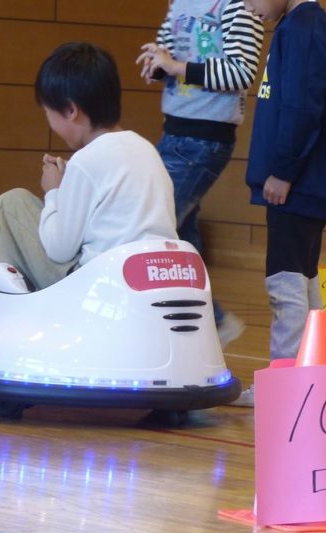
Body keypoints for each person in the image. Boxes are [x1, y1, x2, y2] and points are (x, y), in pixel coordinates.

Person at [231, 0, 326, 406]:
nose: (248, 5)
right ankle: (310, 379)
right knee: (303, 280)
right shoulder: (298, 25)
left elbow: (301, 108)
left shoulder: (303, 27)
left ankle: (282, 386)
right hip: (301, 182)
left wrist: (283, 170)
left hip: (296, 183)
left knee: (285, 283)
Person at [0, 42, 178, 291]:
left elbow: (59, 249)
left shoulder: (85, 161)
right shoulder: (146, 149)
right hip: (156, 278)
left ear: (70, 110)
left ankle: (21, 310)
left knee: (11, 203)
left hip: (101, 288)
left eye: (49, 113)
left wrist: (54, 192)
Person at [136, 0, 265, 347]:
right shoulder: (179, 3)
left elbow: (241, 72)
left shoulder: (237, 6)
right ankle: (200, 325)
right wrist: (156, 64)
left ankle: (210, 321)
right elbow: (166, 53)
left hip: (204, 138)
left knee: (157, 226)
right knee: (180, 235)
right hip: (175, 132)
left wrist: (177, 67)